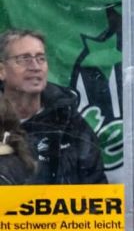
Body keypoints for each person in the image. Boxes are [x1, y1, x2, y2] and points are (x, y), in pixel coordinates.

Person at [0, 28, 104, 185]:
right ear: (2, 71)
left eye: (41, 58)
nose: (35, 66)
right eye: (24, 59)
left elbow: (96, 188)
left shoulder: (69, 123)